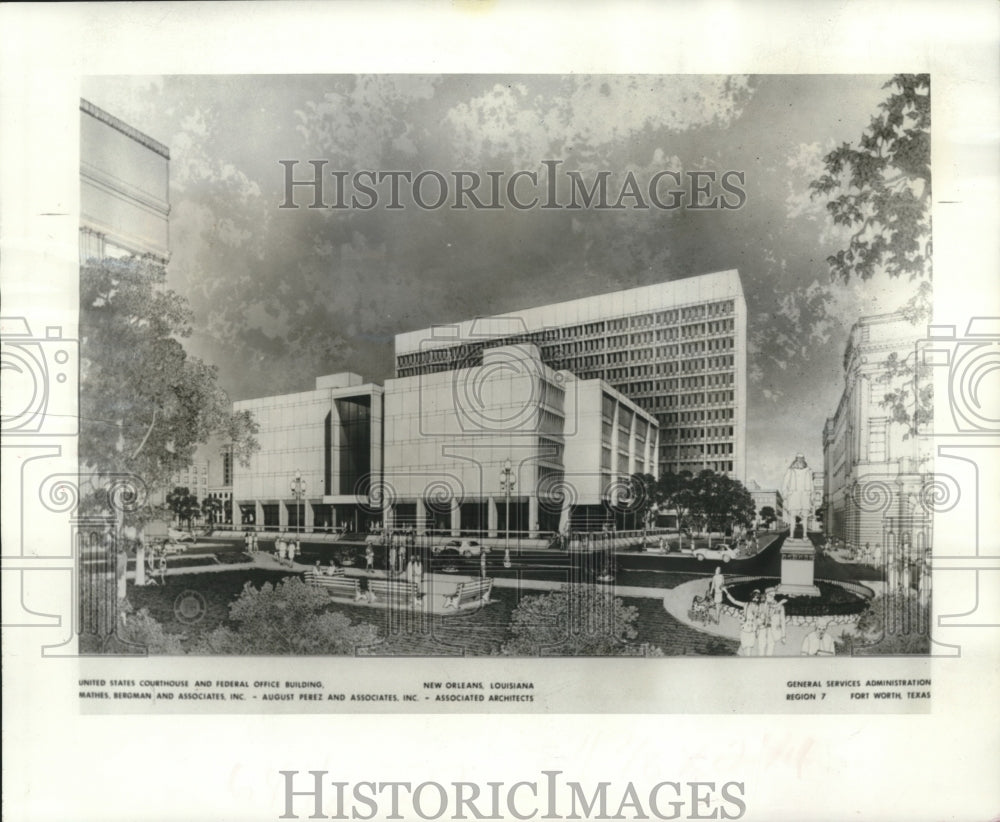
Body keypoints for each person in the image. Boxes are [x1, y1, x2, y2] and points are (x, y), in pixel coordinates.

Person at [723, 587, 763, 656]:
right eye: (754, 597)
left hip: (752, 631)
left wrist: (758, 629)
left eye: (757, 598)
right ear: (751, 596)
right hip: (744, 630)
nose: (755, 599)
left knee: (749, 650)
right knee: (745, 648)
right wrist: (725, 591)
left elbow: (760, 621)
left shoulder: (759, 607)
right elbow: (734, 601)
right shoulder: (746, 604)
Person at [758, 588, 787, 657]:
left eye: (774, 596)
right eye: (770, 595)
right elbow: (757, 617)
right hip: (762, 629)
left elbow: (783, 621)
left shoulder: (780, 607)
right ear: (766, 595)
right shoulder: (761, 605)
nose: (773, 598)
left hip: (773, 631)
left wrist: (783, 636)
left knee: (770, 649)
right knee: (761, 648)